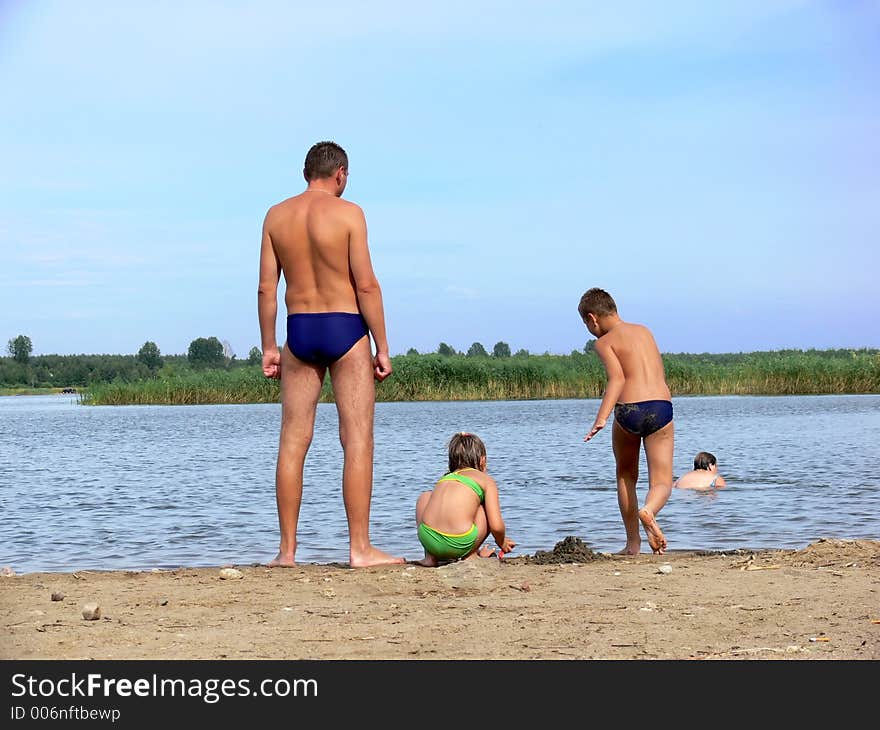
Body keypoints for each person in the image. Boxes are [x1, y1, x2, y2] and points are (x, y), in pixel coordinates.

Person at [258, 140, 404, 568]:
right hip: (344, 327)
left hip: (299, 330)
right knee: (357, 440)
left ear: (307, 172)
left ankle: (286, 553)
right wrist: (382, 345)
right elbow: (367, 286)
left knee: (292, 443)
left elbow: (268, 287)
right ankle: (359, 549)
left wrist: (269, 346)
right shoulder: (350, 214)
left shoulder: (276, 216)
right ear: (340, 173)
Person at [578, 287, 674, 555]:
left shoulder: (603, 342)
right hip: (660, 406)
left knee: (625, 476)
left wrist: (601, 419)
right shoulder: (644, 331)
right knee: (662, 481)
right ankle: (650, 509)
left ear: (592, 318)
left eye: (586, 324)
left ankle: (633, 544)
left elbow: (617, 379)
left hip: (628, 409)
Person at [415, 432, 516, 567]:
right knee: (482, 507)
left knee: (426, 496)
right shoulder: (486, 480)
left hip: (429, 540)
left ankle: (429, 557)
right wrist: (501, 542)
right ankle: (471, 555)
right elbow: (496, 526)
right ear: (483, 461)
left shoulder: (445, 479)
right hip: (461, 543)